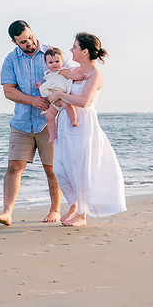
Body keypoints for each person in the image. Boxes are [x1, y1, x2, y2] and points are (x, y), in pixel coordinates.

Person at [48, 32, 127, 227]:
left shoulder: (95, 75)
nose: (71, 50)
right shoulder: (72, 71)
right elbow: (58, 83)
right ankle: (74, 204)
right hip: (66, 122)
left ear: (84, 51)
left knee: (80, 168)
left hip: (83, 125)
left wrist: (60, 95)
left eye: (74, 47)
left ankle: (82, 215)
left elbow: (83, 101)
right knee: (60, 167)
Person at [0, 20, 63, 226]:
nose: (30, 43)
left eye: (30, 37)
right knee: (14, 166)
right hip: (21, 122)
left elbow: (67, 80)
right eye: (23, 42)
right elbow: (8, 90)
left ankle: (55, 210)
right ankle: (7, 213)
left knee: (52, 168)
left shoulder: (51, 53)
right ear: (15, 43)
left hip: (49, 122)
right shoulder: (11, 60)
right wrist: (33, 100)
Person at [37, 48, 79, 144]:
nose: (54, 64)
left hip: (62, 97)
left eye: (57, 61)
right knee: (49, 116)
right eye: (51, 62)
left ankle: (74, 120)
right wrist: (40, 86)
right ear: (46, 64)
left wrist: (80, 77)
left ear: (62, 61)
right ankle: (52, 134)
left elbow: (73, 76)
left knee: (68, 106)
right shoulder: (47, 74)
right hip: (53, 101)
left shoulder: (64, 71)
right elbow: (48, 84)